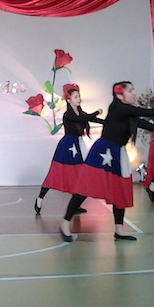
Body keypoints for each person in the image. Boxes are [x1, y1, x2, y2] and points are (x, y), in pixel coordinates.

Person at [59, 81, 154, 242]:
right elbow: (144, 112)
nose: (134, 93)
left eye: (133, 90)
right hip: (104, 151)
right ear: (120, 95)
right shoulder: (118, 108)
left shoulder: (127, 112)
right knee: (87, 186)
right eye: (130, 91)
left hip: (118, 152)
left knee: (119, 190)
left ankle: (119, 230)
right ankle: (65, 223)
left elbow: (144, 124)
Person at [35, 83, 103, 214]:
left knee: (79, 174)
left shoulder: (80, 112)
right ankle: (40, 198)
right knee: (55, 174)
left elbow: (90, 119)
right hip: (67, 146)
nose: (79, 99)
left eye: (79, 96)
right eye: (76, 97)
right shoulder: (68, 114)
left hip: (77, 145)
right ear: (69, 99)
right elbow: (85, 118)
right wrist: (97, 112)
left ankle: (75, 205)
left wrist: (109, 122)